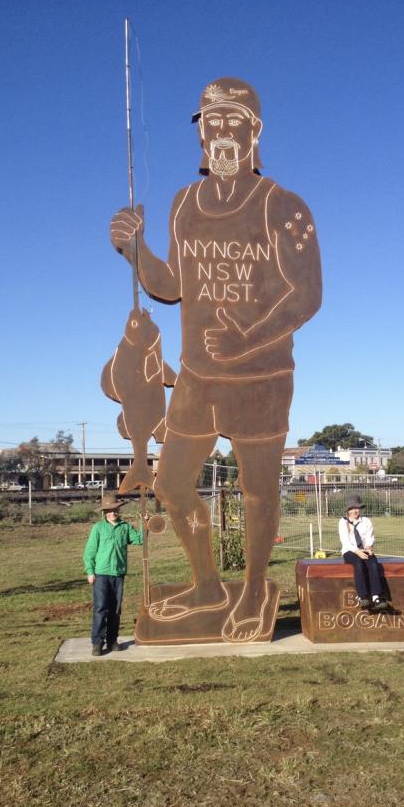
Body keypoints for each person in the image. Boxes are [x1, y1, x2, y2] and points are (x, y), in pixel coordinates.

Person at [110, 78, 322, 642]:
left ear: (254, 131)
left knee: (258, 491)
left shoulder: (283, 205)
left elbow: (306, 295)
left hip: (261, 376)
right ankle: (206, 583)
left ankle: (252, 591)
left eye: (234, 121)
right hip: (198, 379)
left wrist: (247, 339)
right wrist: (135, 252)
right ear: (201, 131)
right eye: (211, 121)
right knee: (172, 487)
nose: (221, 132)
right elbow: (172, 284)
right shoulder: (183, 203)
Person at [83, 494, 143, 655]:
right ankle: (97, 642)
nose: (112, 513)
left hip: (118, 574)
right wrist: (90, 571)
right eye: (109, 510)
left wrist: (144, 523)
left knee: (115, 609)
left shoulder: (125, 527)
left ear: (118, 510)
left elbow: (139, 540)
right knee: (101, 608)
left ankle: (112, 640)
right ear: (105, 512)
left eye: (115, 510)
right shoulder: (98, 528)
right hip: (101, 574)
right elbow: (89, 552)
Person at [338, 494, 388, 610]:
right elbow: (345, 541)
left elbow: (370, 537)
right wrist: (357, 552)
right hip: (350, 550)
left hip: (364, 549)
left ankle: (376, 596)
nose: (355, 511)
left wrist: (369, 547)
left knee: (373, 563)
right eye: (352, 509)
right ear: (348, 510)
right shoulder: (342, 522)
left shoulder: (366, 521)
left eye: (357, 508)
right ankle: (362, 597)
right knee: (358, 564)